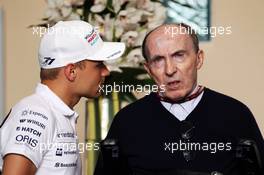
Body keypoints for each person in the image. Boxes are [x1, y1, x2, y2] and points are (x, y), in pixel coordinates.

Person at [94, 23, 264, 175]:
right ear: (148, 69)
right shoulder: (127, 121)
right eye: (158, 60)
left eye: (179, 55)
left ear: (199, 59)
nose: (170, 70)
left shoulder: (236, 115)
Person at [0, 20, 125, 175]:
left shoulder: (54, 113)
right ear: (71, 71)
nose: (106, 72)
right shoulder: (36, 113)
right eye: (99, 64)